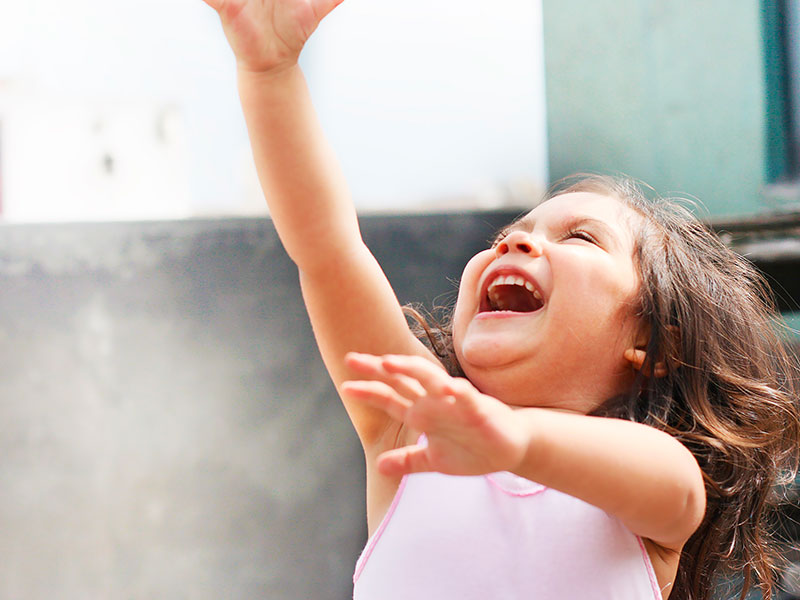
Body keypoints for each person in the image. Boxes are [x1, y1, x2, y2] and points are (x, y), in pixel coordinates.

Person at [200, 1, 800, 598]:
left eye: (581, 238)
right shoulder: (408, 428)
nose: (516, 240)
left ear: (648, 340)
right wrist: (269, 74)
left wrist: (517, 441)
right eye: (507, 235)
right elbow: (328, 249)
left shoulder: (648, 478)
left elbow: (679, 493)